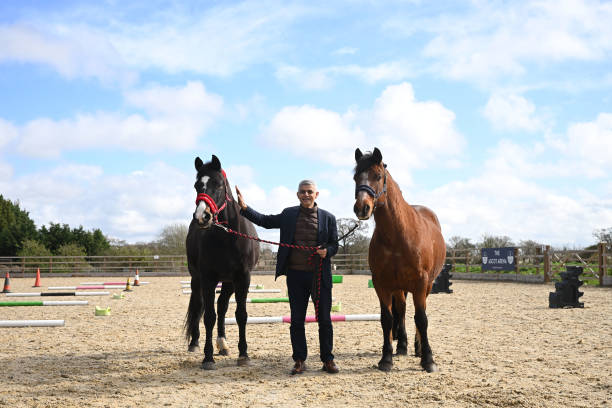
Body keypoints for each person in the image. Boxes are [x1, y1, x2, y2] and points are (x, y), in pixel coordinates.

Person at [235, 180, 339, 375]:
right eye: (303, 192)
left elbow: (335, 244)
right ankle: (299, 360)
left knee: (324, 320)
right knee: (297, 321)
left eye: (310, 192)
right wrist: (245, 208)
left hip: (320, 277)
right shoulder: (289, 214)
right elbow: (265, 221)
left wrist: (328, 251)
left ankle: (328, 360)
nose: (306, 195)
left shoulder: (328, 218)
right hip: (295, 276)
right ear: (297, 195)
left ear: (316, 195)